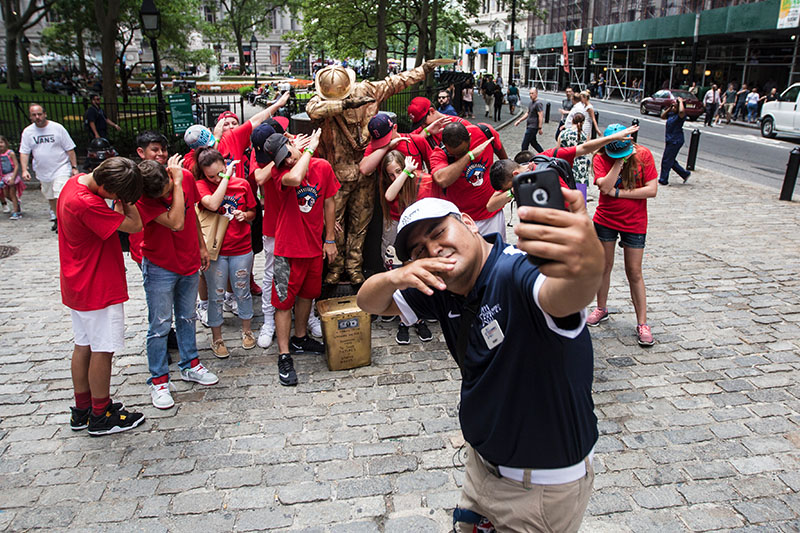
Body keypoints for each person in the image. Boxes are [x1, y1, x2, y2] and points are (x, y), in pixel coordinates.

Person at [355, 192, 604, 533]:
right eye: (419, 251)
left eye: (439, 232)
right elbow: (368, 302)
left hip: (538, 491)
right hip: (481, 468)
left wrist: (587, 258)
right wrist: (394, 277)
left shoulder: (515, 271)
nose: (433, 250)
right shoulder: (441, 286)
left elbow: (566, 294)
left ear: (470, 223)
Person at [306, 59, 453, 285]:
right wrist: (343, 105)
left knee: (360, 224)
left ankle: (354, 267)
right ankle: (335, 268)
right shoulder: (322, 99)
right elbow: (312, 109)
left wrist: (423, 70)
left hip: (365, 174)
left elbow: (397, 81)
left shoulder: (367, 90)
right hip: (337, 177)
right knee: (335, 224)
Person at [58, 157, 146, 436]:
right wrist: (127, 201)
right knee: (102, 349)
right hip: (98, 284)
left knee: (83, 345)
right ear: (108, 188)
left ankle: (82, 408)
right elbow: (135, 225)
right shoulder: (88, 203)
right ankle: (100, 414)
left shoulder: (74, 183)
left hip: (78, 280)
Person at [136, 156, 216, 410]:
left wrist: (202, 246)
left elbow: (191, 214)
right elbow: (176, 221)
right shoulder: (143, 196)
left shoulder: (185, 178)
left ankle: (190, 364)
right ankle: (159, 380)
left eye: (167, 190)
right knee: (159, 325)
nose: (165, 195)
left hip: (188, 259)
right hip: (160, 265)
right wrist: (178, 185)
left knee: (187, 317)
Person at [262, 131, 339, 386]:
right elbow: (294, 178)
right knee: (283, 302)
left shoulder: (322, 167)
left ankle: (300, 337)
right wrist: (307, 150)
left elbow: (329, 202)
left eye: (288, 154)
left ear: (292, 142)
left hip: (313, 247)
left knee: (308, 295)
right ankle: (284, 354)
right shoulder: (280, 173)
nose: (288, 161)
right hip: (287, 250)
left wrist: (330, 239)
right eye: (281, 159)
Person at [588, 124, 658, 346]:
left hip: (635, 221)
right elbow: (604, 187)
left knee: (634, 271)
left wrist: (619, 193)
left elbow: (652, 190)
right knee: (604, 266)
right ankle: (601, 308)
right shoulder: (600, 158)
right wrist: (619, 162)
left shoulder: (643, 155)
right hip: (606, 219)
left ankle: (642, 323)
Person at [194, 147, 258, 358]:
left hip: (241, 247)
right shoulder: (201, 186)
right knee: (216, 295)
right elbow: (212, 205)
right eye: (211, 176)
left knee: (242, 290)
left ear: (225, 165)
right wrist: (225, 178)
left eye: (219, 173)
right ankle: (217, 338)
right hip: (216, 251)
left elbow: (253, 211)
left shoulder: (242, 185)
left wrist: (245, 215)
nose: (215, 179)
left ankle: (247, 330)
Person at [377, 150, 437, 344]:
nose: (395, 177)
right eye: (391, 174)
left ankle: (416, 318)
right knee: (396, 272)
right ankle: (403, 318)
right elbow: (389, 195)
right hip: (394, 227)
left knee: (415, 272)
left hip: (414, 228)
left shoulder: (422, 181)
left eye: (398, 171)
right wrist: (404, 173)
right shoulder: (392, 183)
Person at [430, 122, 506, 237]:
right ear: (446, 146)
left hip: (492, 215)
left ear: (469, 137)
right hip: (462, 219)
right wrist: (469, 156)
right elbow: (442, 180)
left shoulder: (484, 132)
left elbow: (502, 156)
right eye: (456, 154)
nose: (460, 155)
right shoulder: (439, 153)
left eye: (464, 151)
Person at [19, 103, 79, 231]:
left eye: (39, 114)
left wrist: (74, 167)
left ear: (45, 114)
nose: (37, 117)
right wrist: (24, 170)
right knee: (50, 197)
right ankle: (58, 218)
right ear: (30, 117)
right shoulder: (28, 132)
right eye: (34, 115)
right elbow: (24, 152)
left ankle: (65, 222)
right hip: (43, 171)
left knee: (60, 194)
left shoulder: (57, 128)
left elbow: (70, 149)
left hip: (61, 167)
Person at [557, 112, 590, 201]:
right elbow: (588, 150)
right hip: (581, 166)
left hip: (566, 164)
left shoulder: (563, 133)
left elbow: (558, 150)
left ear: (572, 121)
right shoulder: (584, 135)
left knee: (566, 190)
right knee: (581, 194)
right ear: (582, 123)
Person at [658, 98, 691, 186]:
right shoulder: (671, 114)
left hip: (675, 140)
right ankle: (685, 174)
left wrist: (680, 101)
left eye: (675, 106)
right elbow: (663, 116)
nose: (673, 108)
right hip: (670, 139)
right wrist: (670, 108)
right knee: (670, 160)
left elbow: (681, 111)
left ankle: (663, 179)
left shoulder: (681, 115)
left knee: (666, 160)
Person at [0, 135, 24, 219]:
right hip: (4, 177)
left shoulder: (10, 153)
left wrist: (13, 177)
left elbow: (16, 165)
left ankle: (16, 212)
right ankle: (17, 203)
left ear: (5, 143)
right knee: (6, 194)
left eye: (1, 142)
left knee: (12, 194)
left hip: (11, 175)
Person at [514, 88, 544, 153]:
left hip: (533, 127)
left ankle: (523, 157)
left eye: (532, 93)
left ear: (536, 94)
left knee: (525, 144)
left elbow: (540, 115)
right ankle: (544, 154)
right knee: (533, 142)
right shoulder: (531, 103)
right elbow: (528, 113)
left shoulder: (538, 103)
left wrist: (540, 127)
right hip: (529, 125)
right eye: (530, 93)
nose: (531, 95)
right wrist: (519, 120)